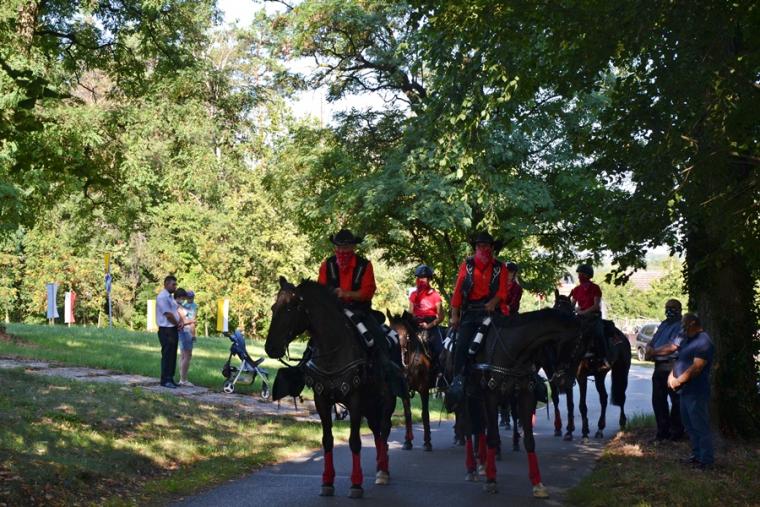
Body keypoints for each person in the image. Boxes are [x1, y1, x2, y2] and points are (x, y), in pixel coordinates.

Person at [317, 229, 405, 395]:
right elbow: (320, 290)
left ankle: (389, 377)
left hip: (360, 311)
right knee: (315, 338)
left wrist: (346, 294)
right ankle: (306, 369)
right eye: (339, 247)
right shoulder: (326, 265)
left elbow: (367, 292)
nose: (342, 251)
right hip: (334, 313)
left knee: (379, 338)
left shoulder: (365, 265)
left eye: (346, 247)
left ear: (353, 247)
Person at [448, 232, 509, 405]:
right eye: (479, 246)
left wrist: (493, 302)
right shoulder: (467, 265)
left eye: (485, 246)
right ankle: (458, 380)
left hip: (493, 313)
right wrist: (454, 315)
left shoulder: (500, 267)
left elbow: (503, 292)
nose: (482, 249)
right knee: (461, 345)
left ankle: (513, 380)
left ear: (492, 248)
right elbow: (458, 291)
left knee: (508, 342)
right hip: (471, 312)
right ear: (475, 248)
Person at [669, 313, 715, 470]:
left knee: (700, 426)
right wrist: (671, 375)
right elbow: (679, 359)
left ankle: (706, 461)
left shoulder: (704, 341)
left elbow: (697, 367)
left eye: (684, 323)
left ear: (693, 323)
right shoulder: (688, 340)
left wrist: (679, 380)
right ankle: (696, 456)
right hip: (685, 391)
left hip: (697, 391)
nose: (682, 326)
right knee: (689, 426)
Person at [645, 299, 685, 442]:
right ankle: (662, 432)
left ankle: (676, 433)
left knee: (676, 401)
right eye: (667, 307)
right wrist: (649, 348)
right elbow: (653, 340)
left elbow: (673, 347)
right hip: (659, 366)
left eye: (672, 308)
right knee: (658, 400)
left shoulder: (682, 326)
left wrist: (654, 352)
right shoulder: (663, 324)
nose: (669, 310)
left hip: (674, 366)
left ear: (679, 309)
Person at [569, 264, 611, 367]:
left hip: (593, 317)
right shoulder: (576, 289)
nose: (579, 276)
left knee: (599, 333)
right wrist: (575, 309)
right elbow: (572, 305)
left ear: (587, 275)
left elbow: (596, 306)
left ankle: (603, 358)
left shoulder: (595, 288)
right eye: (579, 274)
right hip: (581, 317)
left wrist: (583, 312)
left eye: (581, 274)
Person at [408, 264, 445, 363]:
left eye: (424, 278)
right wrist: (415, 323)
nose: (422, 280)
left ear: (429, 279)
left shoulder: (435, 295)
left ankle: (440, 371)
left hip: (431, 325)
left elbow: (441, 316)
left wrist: (428, 326)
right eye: (420, 278)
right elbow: (410, 313)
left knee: (440, 351)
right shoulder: (413, 295)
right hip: (416, 324)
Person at [156, 275, 182, 388]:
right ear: (166, 284)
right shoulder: (162, 297)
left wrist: (179, 322)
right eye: (173, 284)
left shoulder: (170, 297)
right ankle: (165, 380)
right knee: (167, 355)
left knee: (172, 355)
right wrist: (177, 323)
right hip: (166, 330)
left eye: (176, 284)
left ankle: (170, 378)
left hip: (172, 329)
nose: (175, 286)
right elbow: (168, 315)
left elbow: (175, 310)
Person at [175, 288, 197, 387]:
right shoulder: (180, 307)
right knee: (187, 356)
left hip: (183, 331)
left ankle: (182, 378)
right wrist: (193, 321)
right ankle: (183, 380)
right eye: (184, 298)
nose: (185, 300)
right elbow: (184, 321)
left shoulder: (179, 305)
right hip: (186, 331)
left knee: (183, 356)